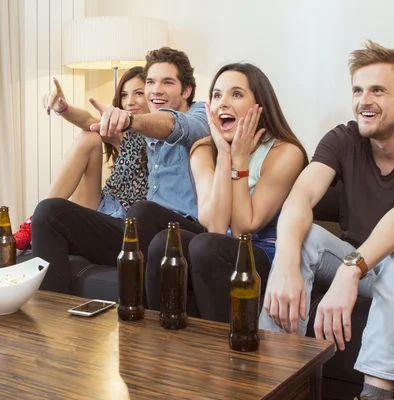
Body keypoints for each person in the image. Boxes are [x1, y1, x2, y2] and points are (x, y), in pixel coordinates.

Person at [259, 40, 394, 400]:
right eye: (358, 90)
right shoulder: (343, 138)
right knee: (302, 238)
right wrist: (287, 261)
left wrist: (352, 268)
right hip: (363, 267)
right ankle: (277, 381)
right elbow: (301, 196)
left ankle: (375, 395)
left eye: (378, 90)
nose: (364, 101)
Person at [32, 47, 209, 294]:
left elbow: (173, 124)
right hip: (138, 229)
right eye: (150, 82)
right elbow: (91, 123)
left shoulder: (201, 114)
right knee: (49, 211)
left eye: (167, 82)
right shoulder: (143, 127)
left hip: (184, 229)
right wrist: (63, 108)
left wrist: (131, 120)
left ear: (187, 90)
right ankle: (52, 317)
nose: (156, 89)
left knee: (142, 211)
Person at [144, 62, 308, 319]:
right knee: (164, 242)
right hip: (216, 245)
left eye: (236, 94)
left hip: (263, 252)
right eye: (217, 95)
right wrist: (223, 153)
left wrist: (240, 160)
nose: (223, 103)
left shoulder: (285, 153)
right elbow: (216, 225)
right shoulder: (203, 150)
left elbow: (244, 228)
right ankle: (166, 343)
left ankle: (222, 348)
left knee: (206, 247)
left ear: (260, 105)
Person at [13, 67, 149, 250]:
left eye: (138, 93)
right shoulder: (124, 133)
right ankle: (33, 221)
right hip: (102, 204)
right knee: (90, 136)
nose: (130, 101)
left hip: (126, 220)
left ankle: (42, 222)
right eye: (124, 95)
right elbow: (89, 122)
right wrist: (63, 108)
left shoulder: (166, 133)